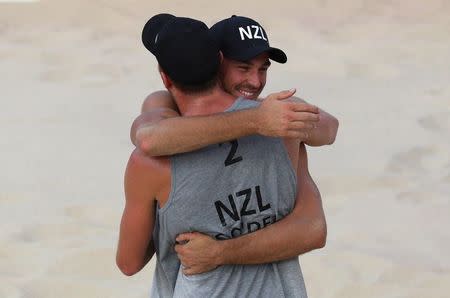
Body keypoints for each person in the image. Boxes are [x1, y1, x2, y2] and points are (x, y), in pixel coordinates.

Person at [116, 15, 325, 297]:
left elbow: (129, 263)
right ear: (219, 61)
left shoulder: (149, 163)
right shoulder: (285, 127)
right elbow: (313, 228)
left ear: (165, 77)